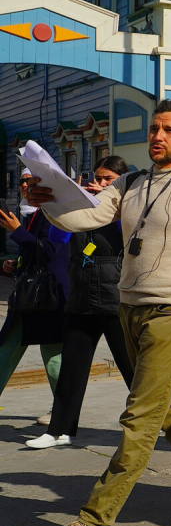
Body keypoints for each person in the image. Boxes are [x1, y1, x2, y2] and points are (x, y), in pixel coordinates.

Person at [28, 99, 171, 526]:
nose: (158, 136)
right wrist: (46, 204)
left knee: (141, 416)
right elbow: (86, 216)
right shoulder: (130, 183)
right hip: (131, 309)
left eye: (169, 130)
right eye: (154, 128)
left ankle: (95, 519)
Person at [27, 157, 137, 449]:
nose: (99, 184)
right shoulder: (82, 210)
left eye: (107, 180)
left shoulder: (126, 210)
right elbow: (57, 236)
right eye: (97, 178)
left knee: (133, 369)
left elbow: (128, 233)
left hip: (114, 300)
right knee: (71, 370)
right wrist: (71, 202)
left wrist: (103, 203)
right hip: (81, 298)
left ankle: (164, 425)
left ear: (121, 182)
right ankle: (59, 430)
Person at [0, 169, 69, 411]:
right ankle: (64, 412)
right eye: (22, 182)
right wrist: (13, 265)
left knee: (53, 358)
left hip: (48, 298)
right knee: (6, 349)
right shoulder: (28, 214)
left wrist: (17, 232)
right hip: (29, 298)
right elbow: (34, 254)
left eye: (32, 182)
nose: (26, 186)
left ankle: (64, 413)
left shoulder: (53, 212)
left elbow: (50, 251)